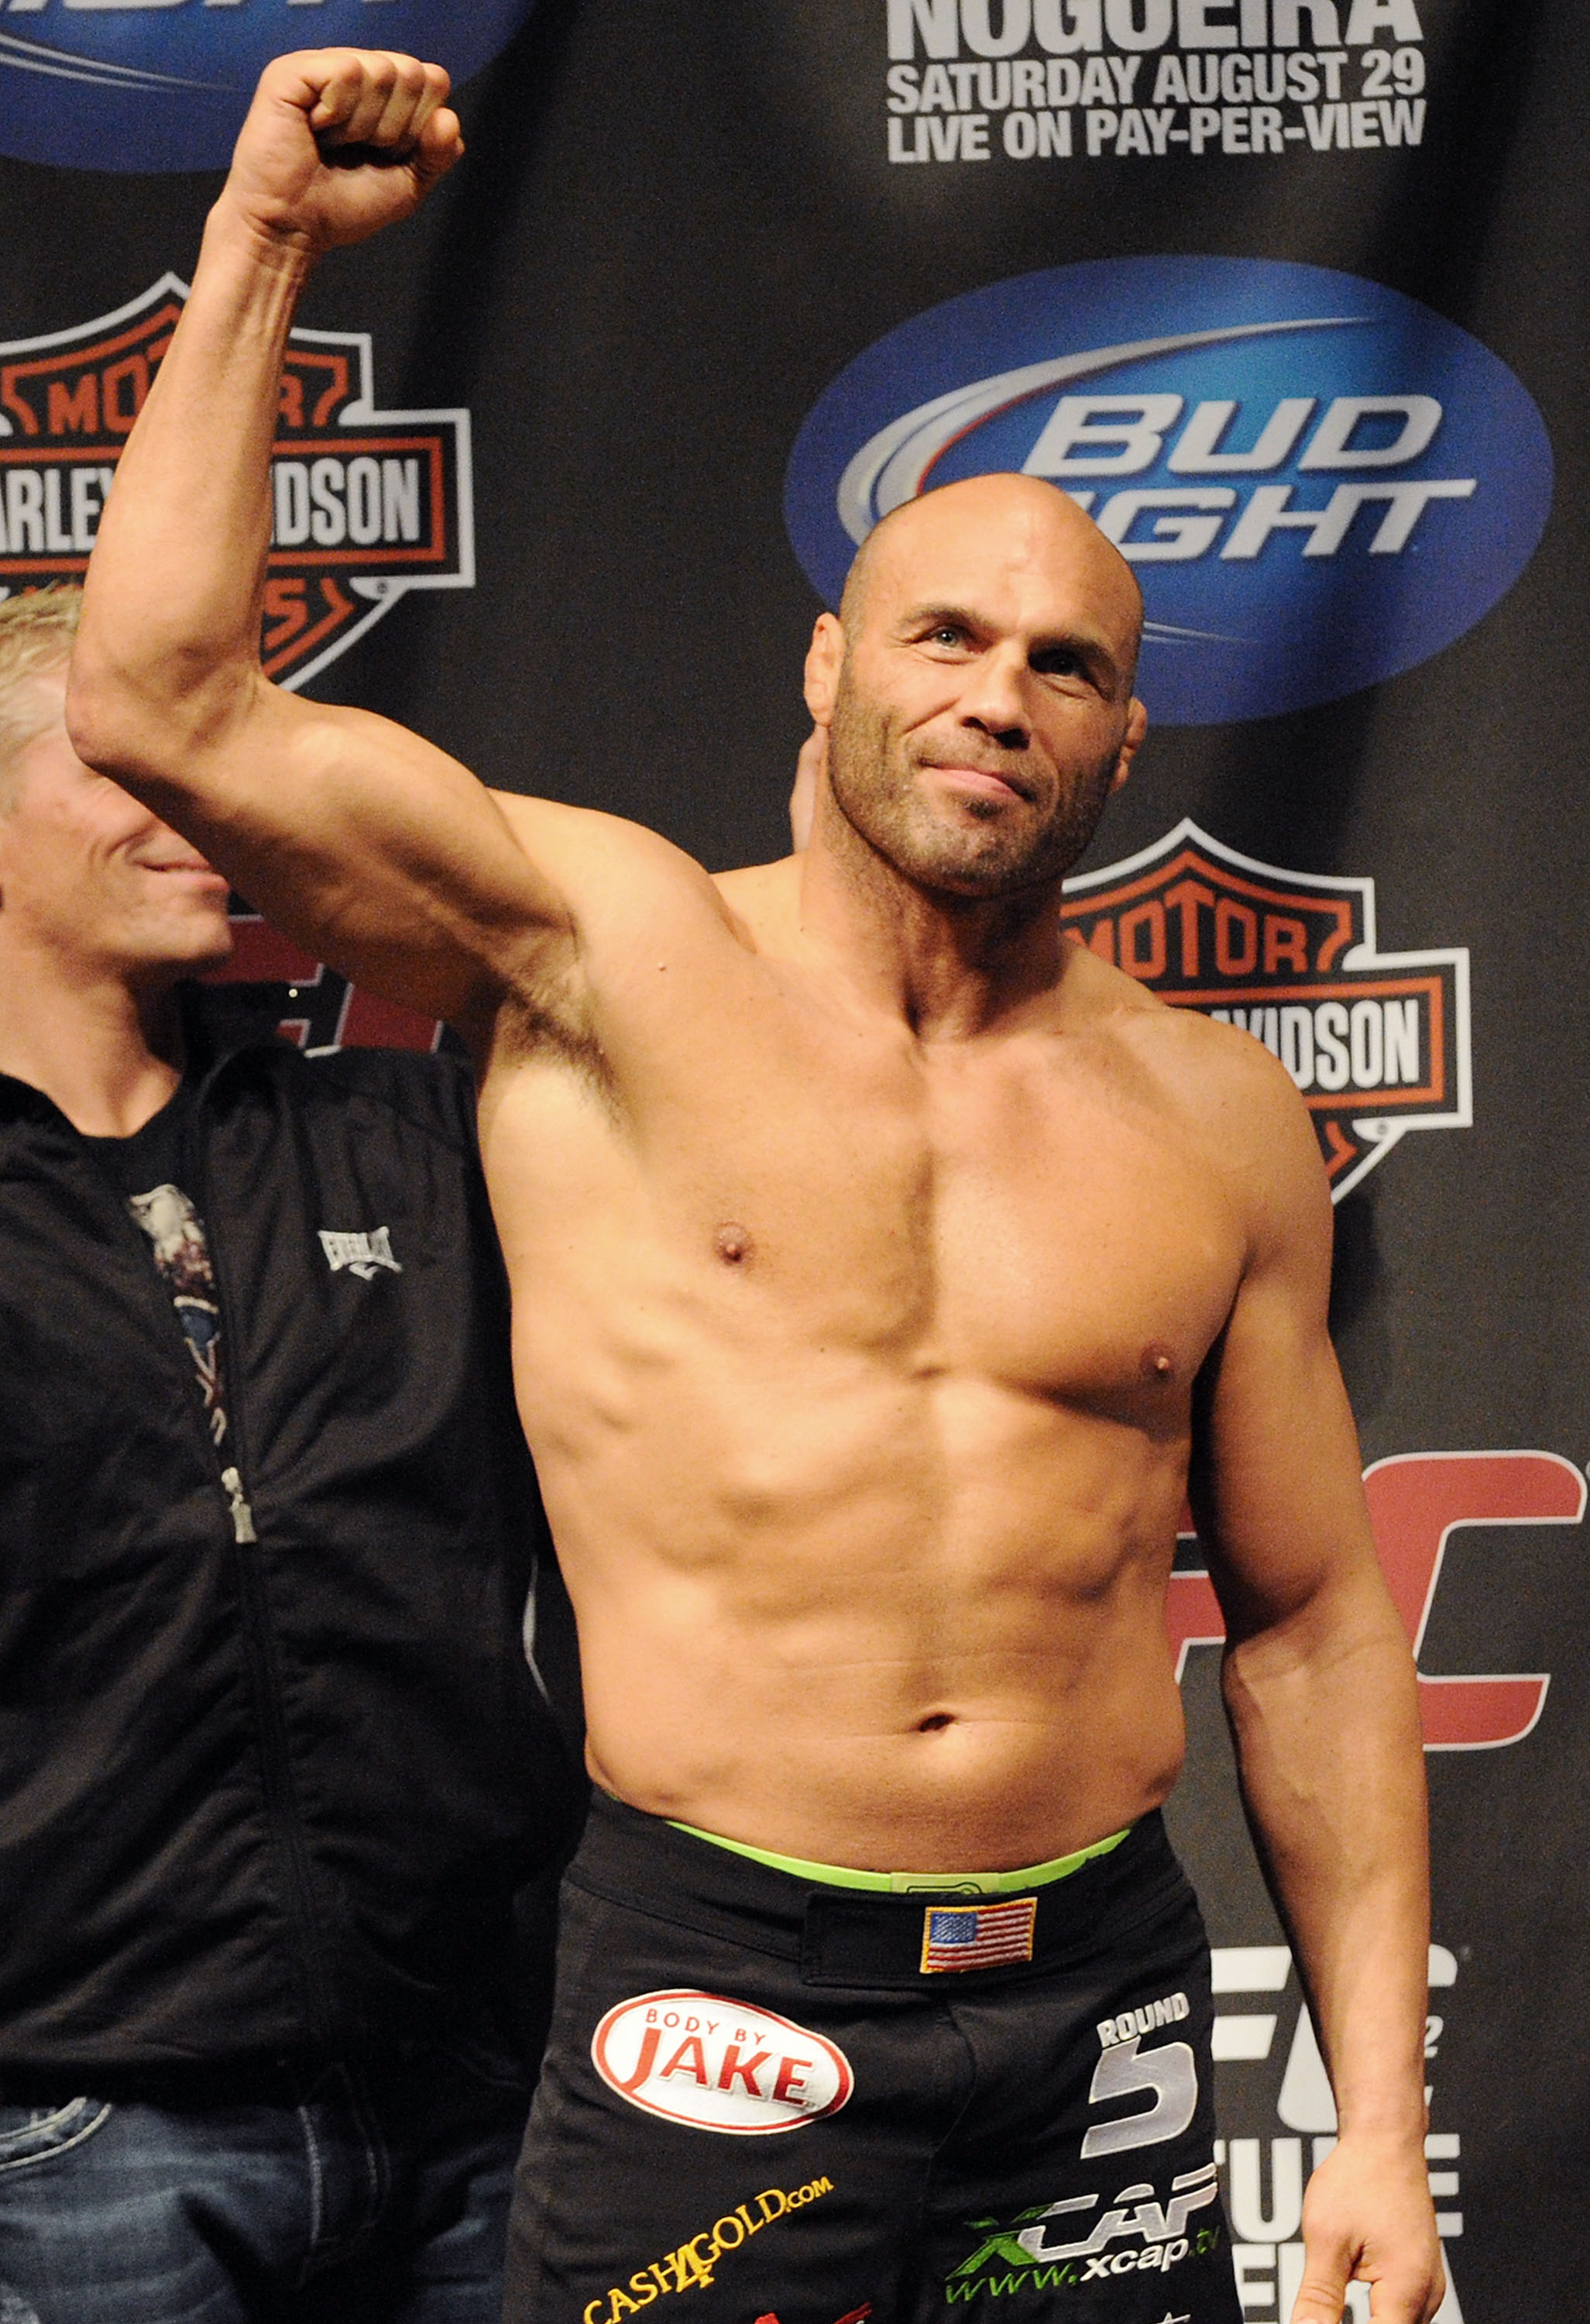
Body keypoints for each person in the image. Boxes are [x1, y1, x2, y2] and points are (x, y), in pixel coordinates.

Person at [67, 50, 1445, 2324]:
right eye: (944, 634)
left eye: (1064, 666)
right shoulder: (608, 952)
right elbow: (163, 701)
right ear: (824, 670)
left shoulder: (1215, 1118)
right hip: (714, 1982)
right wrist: (266, 246)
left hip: (1093, 1981)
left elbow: (1304, 1622)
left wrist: (1375, 2124)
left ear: (1124, 739)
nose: (999, 695)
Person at [0, 585, 579, 2323]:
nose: (199, 805)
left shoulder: (414, 1136)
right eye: (123, 760)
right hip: (80, 2133)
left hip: (479, 2097)